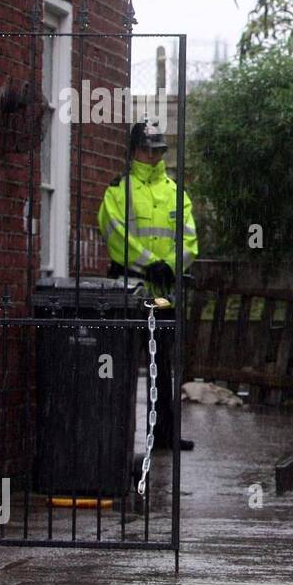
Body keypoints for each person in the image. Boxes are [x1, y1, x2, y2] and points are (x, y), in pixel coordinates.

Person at [98, 119, 198, 451]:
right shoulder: (118, 190)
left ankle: (164, 434)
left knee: (163, 364)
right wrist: (148, 262)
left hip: (163, 292)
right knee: (123, 363)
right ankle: (117, 433)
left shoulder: (176, 192)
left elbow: (189, 239)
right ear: (134, 151)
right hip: (129, 289)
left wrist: (169, 266)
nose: (153, 157)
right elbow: (113, 233)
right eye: (147, 150)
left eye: (158, 151)